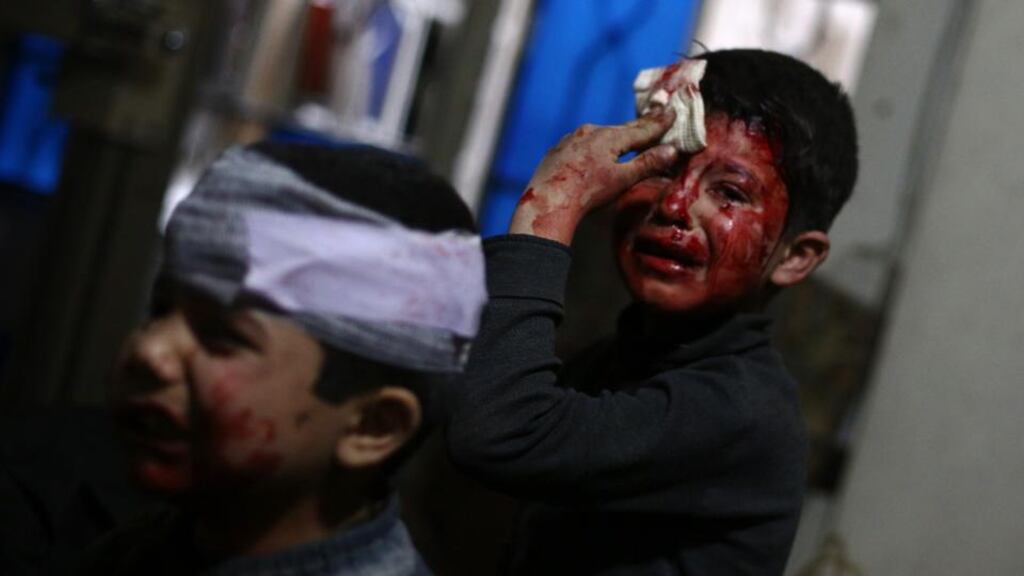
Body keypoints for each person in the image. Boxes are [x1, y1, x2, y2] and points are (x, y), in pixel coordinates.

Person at [443, 48, 858, 575]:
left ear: (796, 257)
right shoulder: (614, 361)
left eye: (729, 191)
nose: (675, 205)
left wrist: (549, 207)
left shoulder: (739, 411)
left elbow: (499, 431)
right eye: (660, 168)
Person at [91, 142, 486, 575]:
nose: (150, 350)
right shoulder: (141, 547)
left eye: (223, 337)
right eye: (160, 310)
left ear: (373, 425)